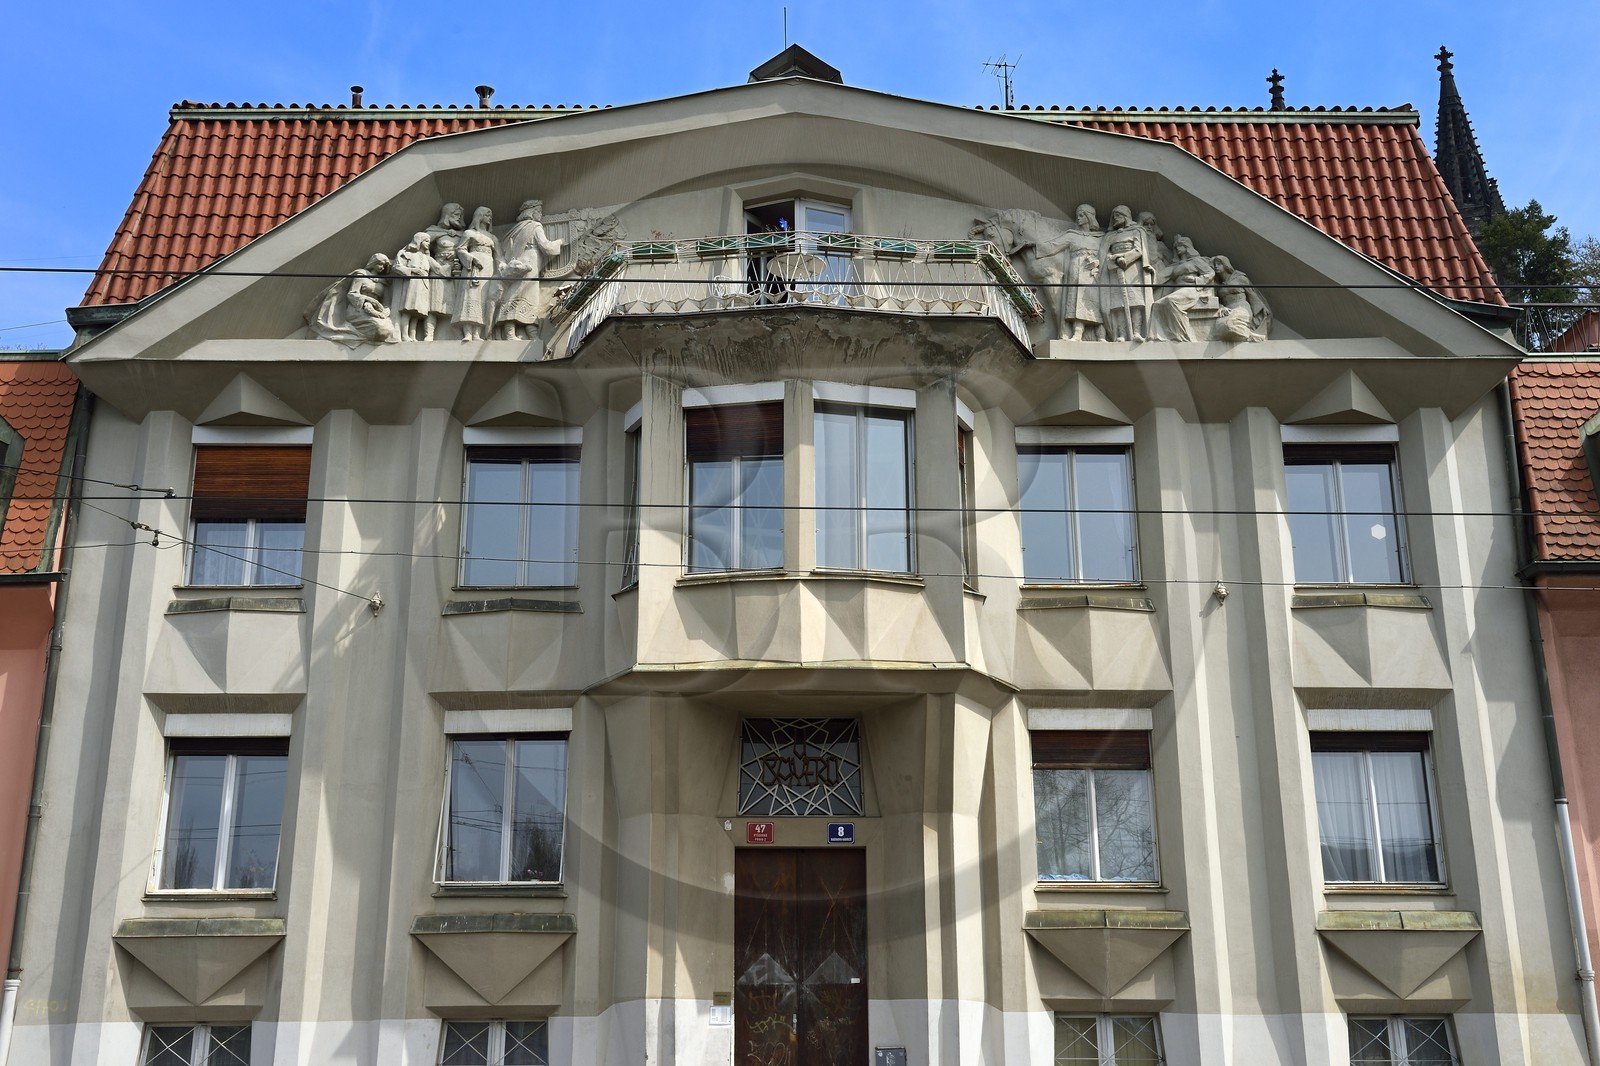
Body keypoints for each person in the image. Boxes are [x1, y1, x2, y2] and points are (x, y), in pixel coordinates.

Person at [494, 199, 565, 339]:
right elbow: (547, 247)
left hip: (516, 266)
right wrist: (560, 242)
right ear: (532, 212)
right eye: (538, 211)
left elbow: (505, 250)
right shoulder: (534, 226)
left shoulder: (515, 229)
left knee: (520, 295)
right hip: (529, 264)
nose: (540, 215)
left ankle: (527, 335)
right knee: (524, 296)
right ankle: (513, 335)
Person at [1035, 204, 1104, 340]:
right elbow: (1053, 245)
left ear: (1089, 217)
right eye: (1077, 215)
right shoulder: (1072, 235)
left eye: (1081, 215)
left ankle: (1101, 334)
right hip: (1076, 271)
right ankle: (1077, 333)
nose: (1078, 219)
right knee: (1076, 302)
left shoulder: (1100, 237)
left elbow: (1106, 255)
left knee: (1096, 303)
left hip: (1094, 274)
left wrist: (1096, 263)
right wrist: (1034, 245)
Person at [305, 253, 398, 346]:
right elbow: (352, 294)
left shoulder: (383, 283)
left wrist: (386, 311)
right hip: (358, 309)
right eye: (380, 264)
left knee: (388, 331)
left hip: (377, 313)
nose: (382, 267)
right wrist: (368, 300)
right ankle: (354, 333)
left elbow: (386, 303)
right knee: (379, 329)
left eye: (384, 266)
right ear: (373, 263)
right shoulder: (362, 275)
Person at [1098, 205, 1155, 340]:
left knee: (1135, 302)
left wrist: (1126, 259)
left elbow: (1139, 249)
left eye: (1118, 215)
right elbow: (1104, 253)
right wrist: (1114, 258)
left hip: (1133, 270)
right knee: (1118, 304)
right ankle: (1122, 334)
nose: (1115, 219)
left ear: (1125, 216)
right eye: (1114, 216)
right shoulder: (1110, 235)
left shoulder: (1137, 230)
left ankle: (1136, 332)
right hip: (1114, 270)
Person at [1148, 235, 1217, 341]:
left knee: (1171, 301)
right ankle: (1158, 336)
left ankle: (1185, 335)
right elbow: (1159, 277)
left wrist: (1195, 280)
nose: (1177, 249)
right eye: (1176, 247)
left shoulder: (1196, 261)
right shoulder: (1175, 265)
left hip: (1192, 290)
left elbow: (1210, 273)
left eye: (1180, 246)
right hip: (1179, 291)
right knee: (1156, 305)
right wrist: (1149, 272)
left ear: (1187, 247)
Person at [1213, 255, 1272, 341]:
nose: (1216, 266)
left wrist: (1262, 308)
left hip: (1242, 308)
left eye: (1219, 264)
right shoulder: (1217, 285)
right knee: (1219, 326)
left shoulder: (1240, 278)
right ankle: (1250, 334)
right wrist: (1222, 307)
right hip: (1228, 311)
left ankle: (1249, 334)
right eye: (1214, 264)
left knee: (1229, 324)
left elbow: (1252, 294)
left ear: (1226, 265)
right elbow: (1218, 301)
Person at [393, 232, 438, 341]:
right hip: (412, 283)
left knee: (418, 312)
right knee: (408, 310)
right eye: (426, 241)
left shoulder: (427, 258)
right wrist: (413, 270)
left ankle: (413, 335)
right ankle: (404, 335)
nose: (428, 244)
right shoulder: (406, 254)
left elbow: (439, 269)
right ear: (419, 241)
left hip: (424, 285)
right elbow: (396, 267)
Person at [453, 231, 496, 341]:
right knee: (470, 295)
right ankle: (467, 333)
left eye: (490, 215)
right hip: (472, 267)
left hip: (488, 268)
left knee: (483, 298)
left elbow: (499, 256)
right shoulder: (469, 233)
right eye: (486, 214)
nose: (489, 217)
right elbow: (460, 249)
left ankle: (477, 334)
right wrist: (472, 259)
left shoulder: (492, 237)